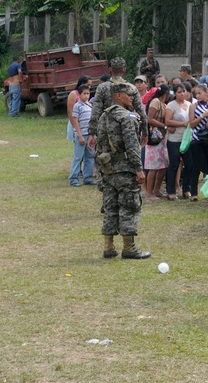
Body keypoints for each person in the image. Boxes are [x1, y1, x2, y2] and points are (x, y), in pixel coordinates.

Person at [96, 82, 151, 260]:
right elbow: (132, 145)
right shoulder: (127, 117)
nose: (133, 98)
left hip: (108, 170)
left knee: (110, 207)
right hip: (125, 170)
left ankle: (108, 247)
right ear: (118, 96)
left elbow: (100, 145)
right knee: (130, 207)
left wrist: (100, 171)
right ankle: (129, 248)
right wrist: (139, 169)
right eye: (129, 95)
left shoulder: (104, 116)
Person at [88, 58, 148, 157]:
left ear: (110, 69)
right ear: (124, 69)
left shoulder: (102, 88)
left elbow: (95, 112)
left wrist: (91, 133)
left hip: (106, 131)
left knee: (105, 161)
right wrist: (145, 133)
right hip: (127, 131)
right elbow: (141, 112)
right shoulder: (131, 88)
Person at [164, 83, 197, 201]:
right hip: (174, 139)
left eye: (184, 91)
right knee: (174, 164)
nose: (182, 94)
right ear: (175, 93)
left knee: (189, 164)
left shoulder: (190, 105)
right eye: (179, 92)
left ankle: (186, 189)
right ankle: (171, 190)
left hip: (187, 138)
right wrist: (182, 124)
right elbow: (167, 121)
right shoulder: (171, 105)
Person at [144, 84, 170, 200]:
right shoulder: (155, 102)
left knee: (164, 165)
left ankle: (157, 190)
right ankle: (150, 193)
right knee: (153, 166)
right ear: (166, 93)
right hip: (154, 137)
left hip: (162, 138)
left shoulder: (164, 104)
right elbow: (150, 119)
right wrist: (164, 126)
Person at [69, 84, 95, 187]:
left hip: (89, 135)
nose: (86, 96)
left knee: (90, 156)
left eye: (88, 93)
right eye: (84, 94)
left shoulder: (90, 106)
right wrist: (79, 136)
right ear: (80, 95)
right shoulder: (77, 106)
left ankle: (87, 178)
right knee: (78, 157)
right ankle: (73, 178)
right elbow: (75, 121)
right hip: (81, 134)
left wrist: (93, 135)